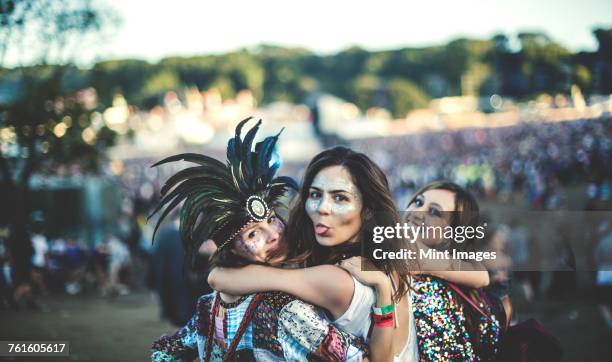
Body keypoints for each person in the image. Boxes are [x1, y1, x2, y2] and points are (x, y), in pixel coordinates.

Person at [150, 118, 368, 361]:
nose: (273, 234)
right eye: (253, 233)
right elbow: (357, 358)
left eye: (272, 219)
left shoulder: (208, 305)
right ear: (230, 250)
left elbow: (165, 349)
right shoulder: (285, 307)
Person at [209, 146, 416, 361]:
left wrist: (215, 273)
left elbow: (220, 279)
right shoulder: (387, 256)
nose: (322, 208)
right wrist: (383, 288)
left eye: (340, 198)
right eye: (315, 194)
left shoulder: (334, 278)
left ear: (368, 209)